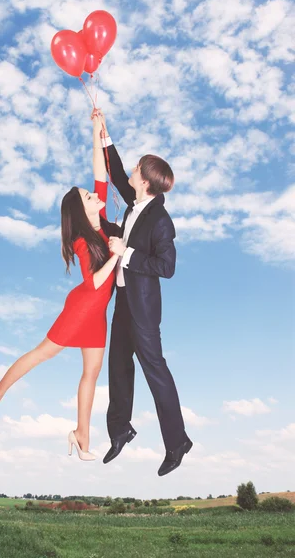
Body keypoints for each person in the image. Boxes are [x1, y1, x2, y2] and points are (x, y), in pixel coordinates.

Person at [0, 111, 121, 461]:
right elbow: (95, 280)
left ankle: (81, 435)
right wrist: (115, 256)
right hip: (82, 308)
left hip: (98, 312)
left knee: (91, 372)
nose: (95, 194)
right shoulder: (83, 241)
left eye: (92, 193)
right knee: (42, 353)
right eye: (89, 196)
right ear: (80, 209)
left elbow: (99, 170)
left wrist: (96, 131)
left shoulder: (100, 221)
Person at [96, 111, 193, 477]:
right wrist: (105, 137)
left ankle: (178, 442)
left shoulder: (160, 221)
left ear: (148, 183)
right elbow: (116, 174)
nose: (132, 172)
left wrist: (127, 253)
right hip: (123, 301)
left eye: (138, 169)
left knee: (156, 372)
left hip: (145, 309)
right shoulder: (135, 201)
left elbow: (166, 267)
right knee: (118, 366)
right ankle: (120, 429)